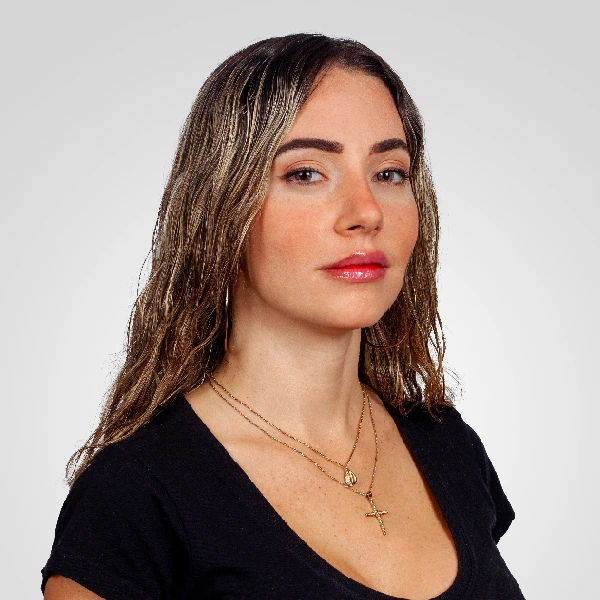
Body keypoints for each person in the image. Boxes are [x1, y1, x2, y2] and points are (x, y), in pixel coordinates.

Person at [42, 33, 524, 599]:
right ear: (222, 206)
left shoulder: (449, 446)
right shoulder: (136, 496)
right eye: (306, 173)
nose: (366, 212)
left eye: (389, 173)